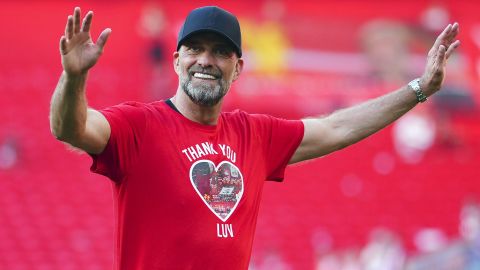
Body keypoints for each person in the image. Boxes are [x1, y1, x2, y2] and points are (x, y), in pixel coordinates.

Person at [49, 6, 460, 270]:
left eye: (220, 52)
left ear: (238, 67)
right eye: (195, 49)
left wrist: (419, 88)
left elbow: (335, 128)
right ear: (176, 60)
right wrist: (73, 76)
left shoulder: (253, 134)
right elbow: (71, 128)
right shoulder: (139, 126)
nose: (206, 61)